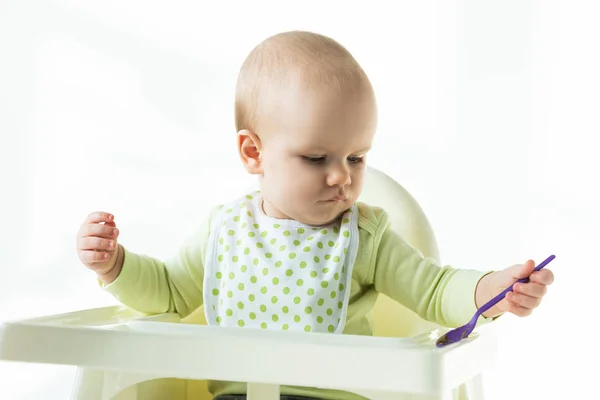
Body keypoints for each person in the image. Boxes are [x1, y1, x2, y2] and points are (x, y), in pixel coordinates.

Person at [75, 31, 554, 400]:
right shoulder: (224, 231)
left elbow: (431, 289)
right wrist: (115, 265)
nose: (340, 177)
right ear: (253, 152)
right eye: (316, 158)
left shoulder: (364, 237)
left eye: (356, 157)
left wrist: (488, 291)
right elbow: (166, 293)